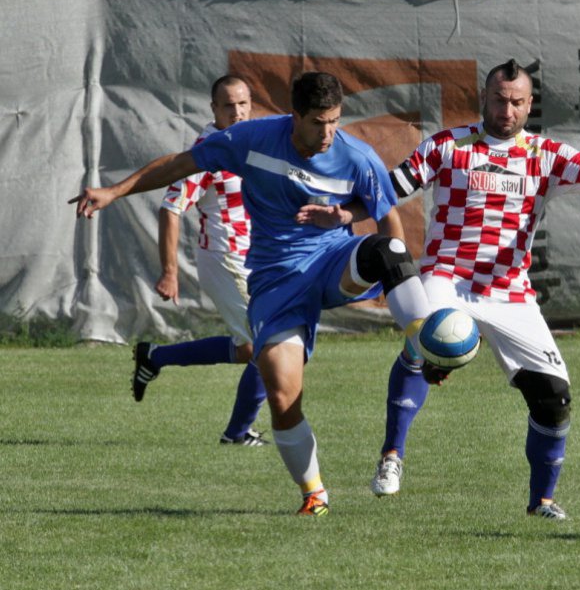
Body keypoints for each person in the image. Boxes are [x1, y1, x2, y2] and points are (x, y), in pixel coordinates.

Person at [301, 59, 580, 520]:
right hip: (447, 278)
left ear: (529, 106)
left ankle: (541, 502)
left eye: (516, 102)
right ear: (483, 99)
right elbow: (392, 188)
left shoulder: (547, 154)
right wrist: (345, 214)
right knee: (422, 340)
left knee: (554, 397)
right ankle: (392, 455)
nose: (506, 110)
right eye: (498, 99)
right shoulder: (448, 145)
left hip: (509, 289)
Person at [70, 71, 434, 516]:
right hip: (276, 281)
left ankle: (426, 345)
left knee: (390, 250)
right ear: (294, 115)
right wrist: (114, 191)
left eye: (335, 121)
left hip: (334, 262)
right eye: (318, 122)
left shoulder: (356, 156)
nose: (328, 133)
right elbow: (180, 164)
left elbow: (388, 226)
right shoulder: (252, 139)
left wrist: (342, 221)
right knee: (282, 396)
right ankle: (314, 494)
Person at [133, 74, 267, 447]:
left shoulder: (253, 142)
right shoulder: (210, 151)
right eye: (228, 105)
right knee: (266, 347)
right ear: (214, 110)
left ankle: (155, 357)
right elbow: (170, 208)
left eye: (242, 103)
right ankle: (237, 434)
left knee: (247, 349)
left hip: (252, 259)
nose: (237, 112)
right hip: (226, 261)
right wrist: (169, 272)